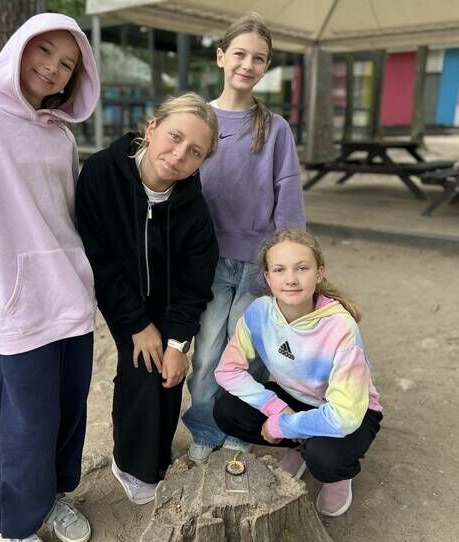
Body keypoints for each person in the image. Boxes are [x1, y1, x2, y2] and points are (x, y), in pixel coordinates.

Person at [0, 13, 100, 542]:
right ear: (18, 49)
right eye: (45, 51)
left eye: (68, 64)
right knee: (22, 422)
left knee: (68, 412)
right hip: (17, 305)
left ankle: (55, 497)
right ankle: (13, 525)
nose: (53, 68)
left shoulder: (62, 138)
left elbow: (69, 214)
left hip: (72, 299)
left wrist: (82, 278)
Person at [74, 93, 220, 505]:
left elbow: (195, 283)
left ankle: (156, 454)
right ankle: (132, 465)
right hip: (118, 289)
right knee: (143, 363)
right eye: (174, 137)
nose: (179, 155)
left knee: (168, 371)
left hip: (169, 297)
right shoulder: (102, 172)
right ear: (151, 129)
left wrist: (178, 342)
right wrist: (137, 325)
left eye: (195, 151)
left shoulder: (193, 207)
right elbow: (97, 258)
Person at [182, 12, 306, 464]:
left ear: (266, 66)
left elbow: (288, 200)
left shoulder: (275, 129)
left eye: (259, 58)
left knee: (249, 355)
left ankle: (237, 427)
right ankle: (204, 427)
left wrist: (283, 267)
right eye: (239, 54)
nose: (247, 64)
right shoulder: (198, 120)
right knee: (207, 353)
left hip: (257, 263)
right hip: (207, 262)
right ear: (221, 57)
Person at [213, 228, 383, 518]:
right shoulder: (259, 312)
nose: (291, 279)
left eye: (302, 268)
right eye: (279, 269)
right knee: (227, 410)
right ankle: (299, 444)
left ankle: (337, 475)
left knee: (325, 458)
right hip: (296, 399)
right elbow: (227, 370)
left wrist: (282, 426)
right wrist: (277, 409)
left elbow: (344, 417)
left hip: (351, 411)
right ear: (267, 277)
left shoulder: (340, 327)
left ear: (319, 273)